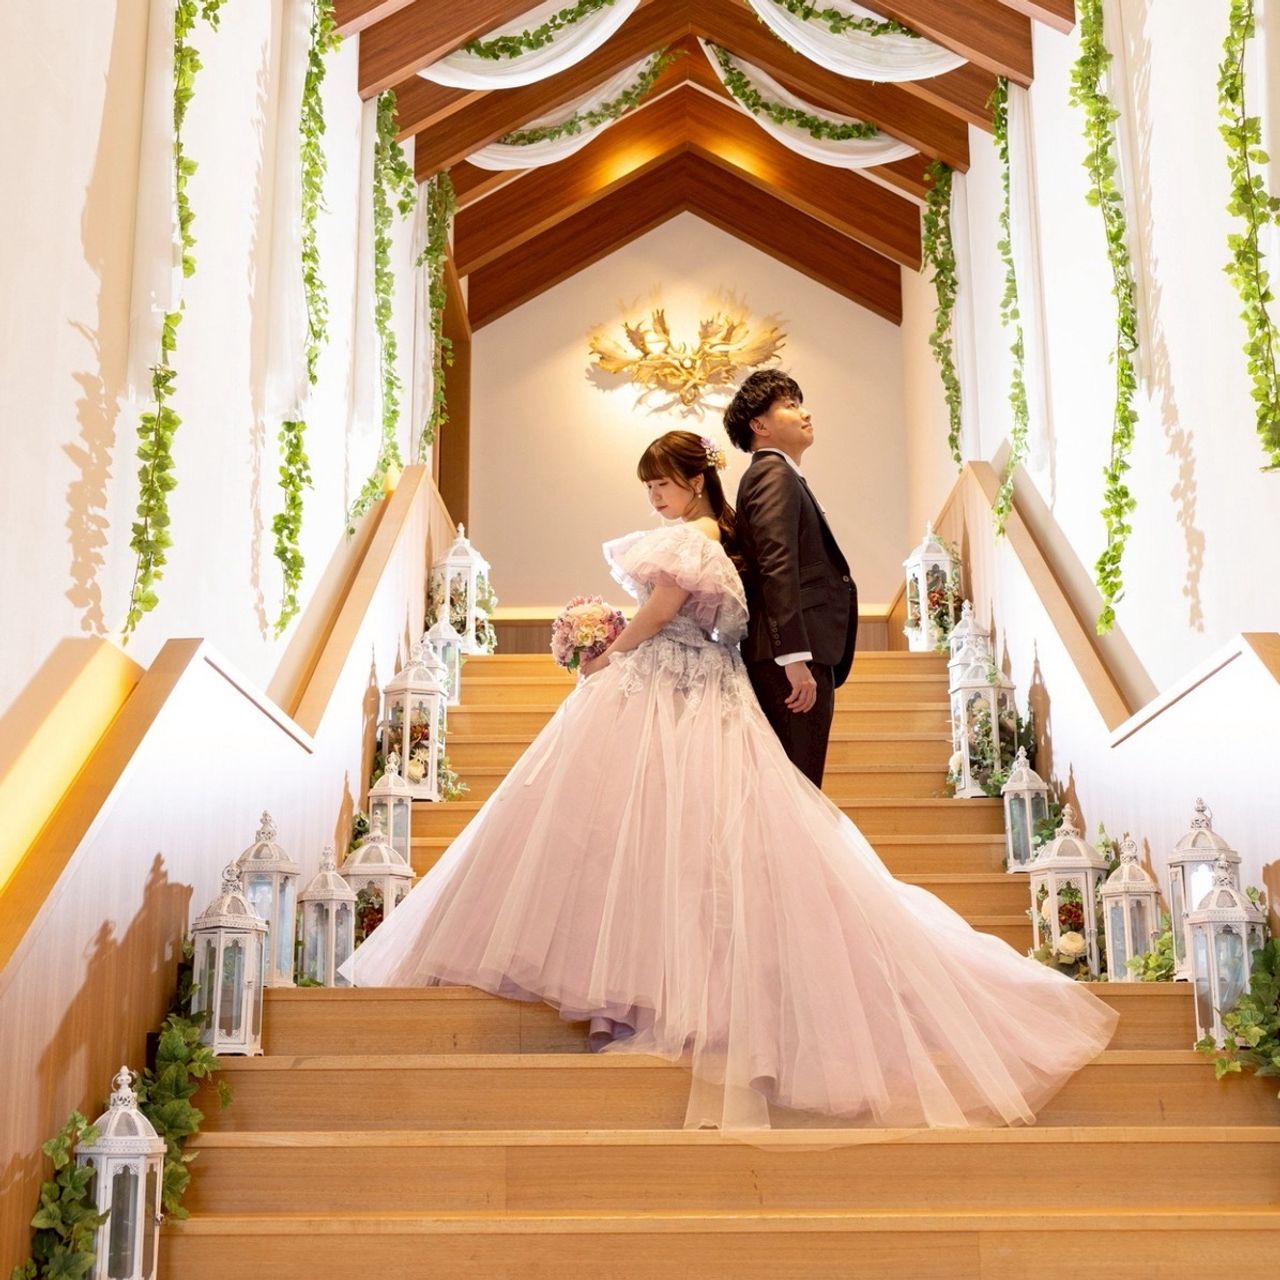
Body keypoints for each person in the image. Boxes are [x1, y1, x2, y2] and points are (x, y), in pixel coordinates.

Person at [341, 429, 1117, 1131]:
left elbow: (663, 610)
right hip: (695, 685)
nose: (654, 496)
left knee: (646, 822)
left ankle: (654, 987)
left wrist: (608, 649)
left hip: (672, 687)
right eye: (649, 486)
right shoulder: (712, 539)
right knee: (655, 831)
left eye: (663, 483)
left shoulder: (696, 540)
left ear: (696, 481)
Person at [727, 370, 856, 787]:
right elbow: (776, 563)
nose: (805, 413)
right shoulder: (772, 473)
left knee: (798, 785)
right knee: (797, 788)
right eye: (790, 405)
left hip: (795, 652)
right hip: (789, 656)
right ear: (759, 425)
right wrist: (793, 657)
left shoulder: (779, 474)